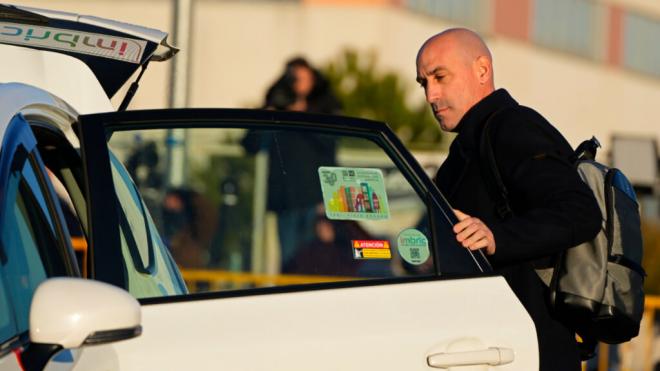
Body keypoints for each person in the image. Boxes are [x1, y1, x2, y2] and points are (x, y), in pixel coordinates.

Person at [416, 28, 601, 370]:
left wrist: (496, 237)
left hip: (531, 347)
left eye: (440, 77)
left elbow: (580, 211)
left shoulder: (513, 127)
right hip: (482, 347)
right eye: (424, 83)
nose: (431, 94)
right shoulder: (464, 150)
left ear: (482, 70)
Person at [243, 57, 341, 269]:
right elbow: (250, 145)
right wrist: (267, 115)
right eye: (291, 79)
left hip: (315, 201)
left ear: (313, 80)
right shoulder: (277, 105)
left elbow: (331, 145)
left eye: (300, 79)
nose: (295, 85)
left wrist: (304, 114)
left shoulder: (324, 106)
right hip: (285, 201)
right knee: (288, 262)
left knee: (314, 261)